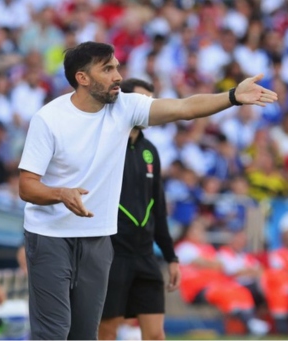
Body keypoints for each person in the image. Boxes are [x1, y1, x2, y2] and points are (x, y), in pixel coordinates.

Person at [18, 41, 277, 340]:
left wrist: (232, 96)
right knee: (54, 331)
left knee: (84, 334)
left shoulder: (125, 106)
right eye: (108, 69)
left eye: (116, 66)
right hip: (50, 235)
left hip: (98, 238)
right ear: (82, 78)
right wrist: (61, 194)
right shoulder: (48, 119)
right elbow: (27, 186)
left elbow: (185, 107)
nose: (118, 75)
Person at [98, 78, 180, 341]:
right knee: (107, 332)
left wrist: (171, 257)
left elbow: (158, 207)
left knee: (156, 335)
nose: (148, 107)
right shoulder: (105, 143)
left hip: (145, 256)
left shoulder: (151, 151)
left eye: (150, 102)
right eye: (142, 101)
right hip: (112, 255)